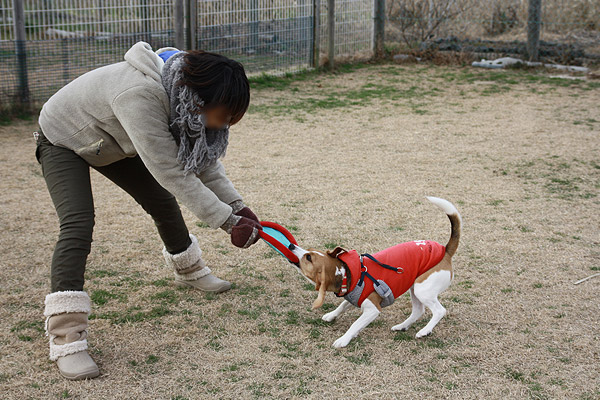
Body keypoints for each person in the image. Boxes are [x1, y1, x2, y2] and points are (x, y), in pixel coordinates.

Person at [34, 41, 262, 380]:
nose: (225, 124)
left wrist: (237, 206)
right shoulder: (139, 96)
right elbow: (174, 173)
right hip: (64, 137)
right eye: (224, 115)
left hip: (111, 139)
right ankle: (67, 337)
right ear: (201, 99)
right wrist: (228, 222)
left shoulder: (185, 98)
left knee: (161, 202)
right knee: (78, 224)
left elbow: (203, 162)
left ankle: (190, 271)